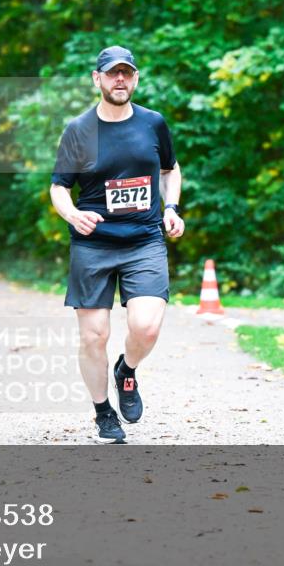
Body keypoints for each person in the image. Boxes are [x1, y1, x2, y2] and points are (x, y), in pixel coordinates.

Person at [49, 45, 185, 443]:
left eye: (126, 73)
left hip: (144, 239)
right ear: (98, 79)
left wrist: (172, 206)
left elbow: (170, 169)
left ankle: (126, 370)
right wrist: (72, 213)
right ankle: (103, 412)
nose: (119, 79)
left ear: (136, 78)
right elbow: (58, 187)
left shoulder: (153, 123)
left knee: (146, 327)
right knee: (94, 336)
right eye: (112, 73)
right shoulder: (78, 130)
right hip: (93, 244)